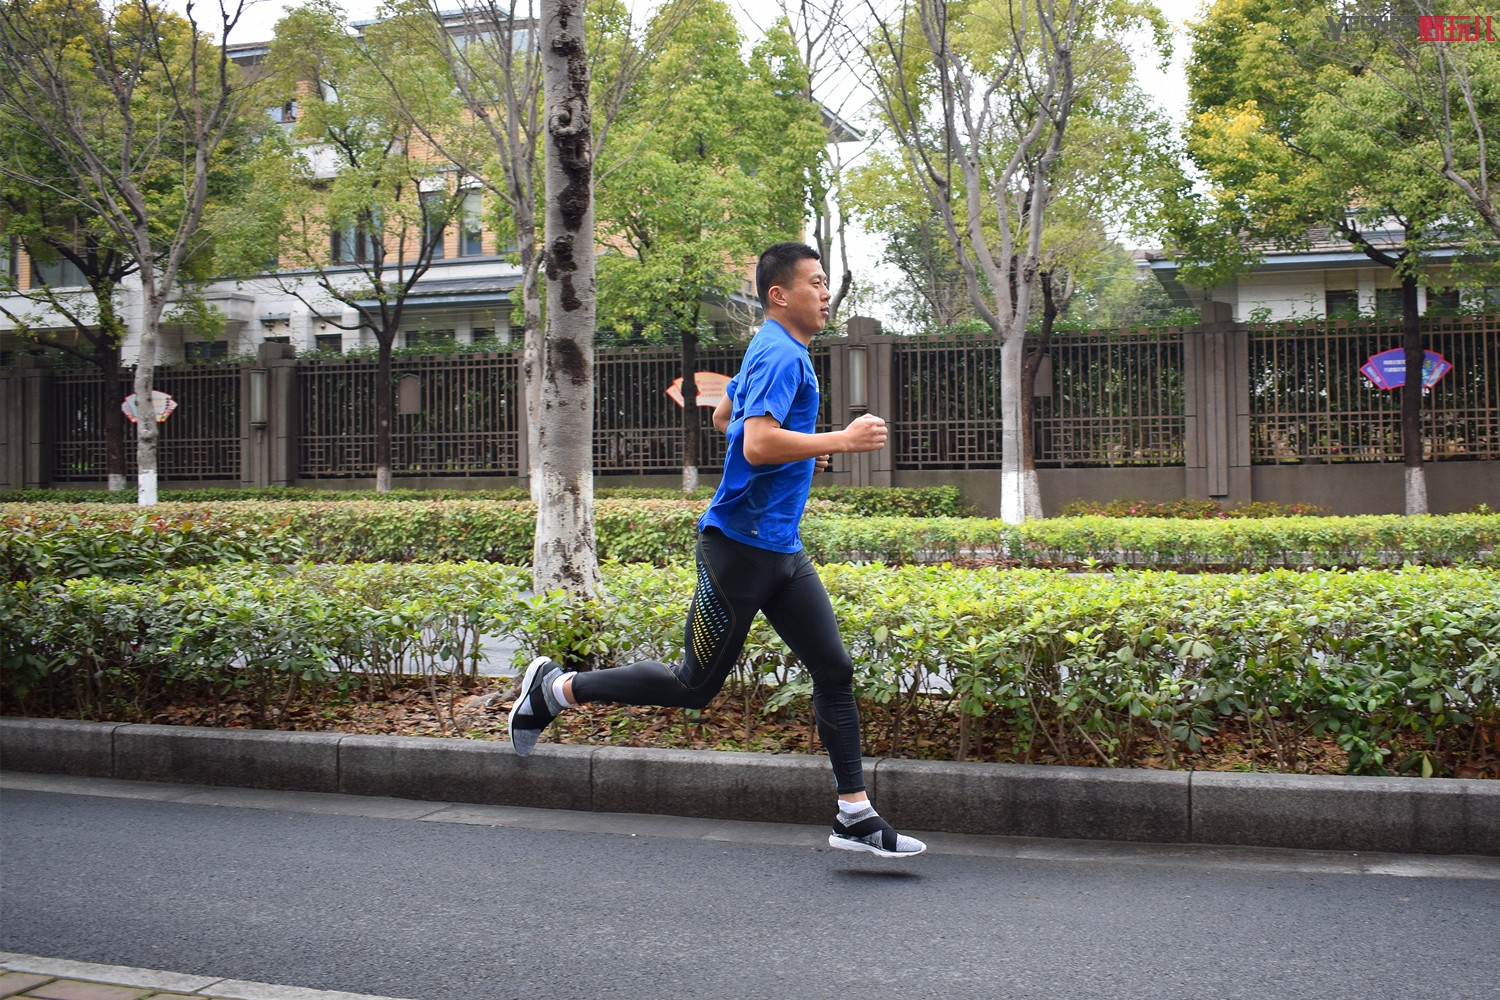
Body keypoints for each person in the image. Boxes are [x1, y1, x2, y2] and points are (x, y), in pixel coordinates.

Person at [509, 242, 925, 859]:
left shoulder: (771, 346)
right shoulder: (782, 354)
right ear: (779, 295)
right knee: (693, 685)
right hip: (739, 554)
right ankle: (557, 689)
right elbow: (755, 445)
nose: (826, 292)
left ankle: (854, 814)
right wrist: (842, 437)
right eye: (815, 282)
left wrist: (807, 445)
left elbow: (724, 418)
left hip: (780, 550)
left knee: (833, 670)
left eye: (825, 282)